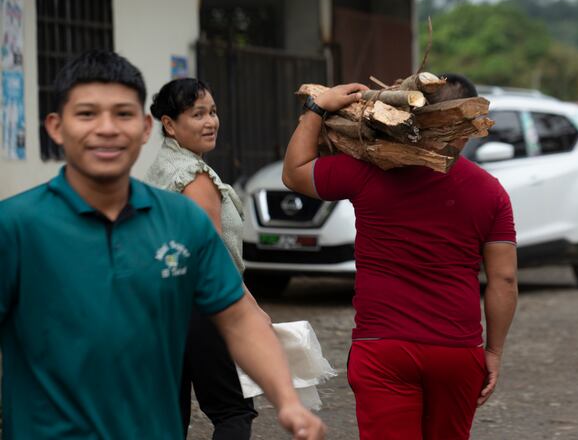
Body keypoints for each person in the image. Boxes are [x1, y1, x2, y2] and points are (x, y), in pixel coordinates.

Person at [0, 50, 325, 439]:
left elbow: (238, 320)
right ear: (55, 127)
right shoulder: (15, 226)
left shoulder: (183, 221)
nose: (107, 128)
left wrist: (287, 401)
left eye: (122, 114)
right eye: (87, 114)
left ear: (144, 127)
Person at [282, 74, 518, 439]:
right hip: (457, 351)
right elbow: (503, 279)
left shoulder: (369, 170)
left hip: (382, 350)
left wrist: (316, 108)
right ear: (468, 126)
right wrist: (495, 351)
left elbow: (295, 174)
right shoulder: (491, 192)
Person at [144, 78, 256, 439]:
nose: (211, 122)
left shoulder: (162, 166)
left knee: (168, 414)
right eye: (198, 114)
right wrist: (250, 310)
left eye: (213, 112)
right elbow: (213, 256)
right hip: (202, 307)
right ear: (170, 124)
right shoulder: (195, 177)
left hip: (161, 307)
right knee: (233, 411)